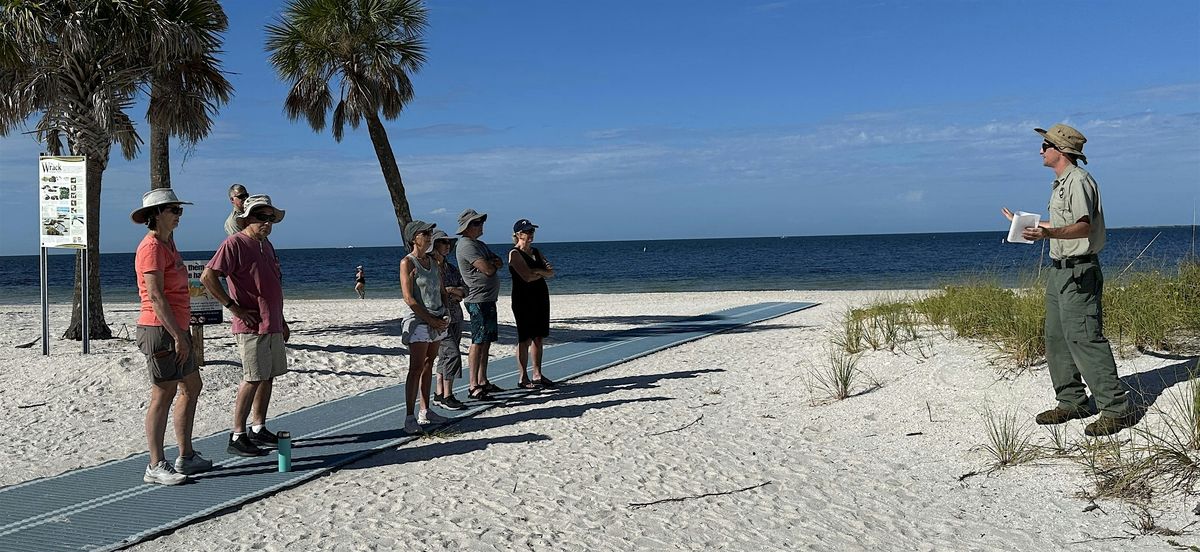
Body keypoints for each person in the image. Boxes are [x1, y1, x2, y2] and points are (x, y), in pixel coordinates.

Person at [1003, 123, 1135, 437]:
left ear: (1060, 150)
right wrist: (1027, 225)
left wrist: (1048, 233)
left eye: (1045, 145)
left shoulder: (1079, 181)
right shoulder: (1061, 183)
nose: (1040, 150)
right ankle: (1072, 401)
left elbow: (1083, 227)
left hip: (1079, 271)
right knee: (1057, 338)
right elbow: (1063, 223)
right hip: (1059, 270)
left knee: (1084, 337)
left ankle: (1117, 410)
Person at [131, 188, 211, 485]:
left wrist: (183, 331)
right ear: (156, 215)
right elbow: (155, 295)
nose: (179, 215)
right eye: (173, 210)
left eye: (180, 210)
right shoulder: (150, 247)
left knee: (192, 385)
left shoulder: (169, 245)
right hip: (159, 329)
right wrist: (178, 335)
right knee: (162, 393)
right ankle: (155, 464)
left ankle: (186, 455)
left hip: (177, 327)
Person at [201, 195, 291, 457]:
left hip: (271, 321)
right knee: (252, 377)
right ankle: (237, 434)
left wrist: (282, 320)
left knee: (268, 375)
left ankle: (258, 427)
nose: (267, 222)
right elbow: (208, 276)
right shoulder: (234, 243)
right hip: (250, 325)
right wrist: (233, 307)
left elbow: (272, 285)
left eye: (270, 218)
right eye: (261, 217)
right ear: (248, 219)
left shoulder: (267, 245)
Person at [399, 220, 451, 433]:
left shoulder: (434, 262)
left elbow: (441, 291)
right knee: (416, 367)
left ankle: (425, 410)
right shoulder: (407, 263)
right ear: (414, 238)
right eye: (425, 233)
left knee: (430, 364)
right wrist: (430, 319)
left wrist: (445, 312)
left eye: (430, 233)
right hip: (420, 320)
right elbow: (409, 298)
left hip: (438, 317)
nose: (430, 236)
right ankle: (409, 417)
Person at [455, 209, 505, 401]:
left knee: (486, 341)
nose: (481, 225)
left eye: (480, 222)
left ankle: (483, 380)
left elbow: (498, 262)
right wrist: (491, 264)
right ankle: (473, 384)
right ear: (467, 227)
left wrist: (492, 263)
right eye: (476, 223)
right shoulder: (466, 245)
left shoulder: (480, 245)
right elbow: (489, 269)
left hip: (488, 299)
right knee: (477, 341)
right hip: (477, 299)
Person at [508, 219, 557, 388]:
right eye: (527, 232)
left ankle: (537, 373)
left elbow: (550, 273)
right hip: (523, 299)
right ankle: (523, 377)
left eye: (532, 232)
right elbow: (526, 277)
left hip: (540, 296)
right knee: (525, 338)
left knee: (538, 337)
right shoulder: (514, 254)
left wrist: (538, 271)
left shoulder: (536, 251)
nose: (530, 235)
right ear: (518, 234)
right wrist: (540, 272)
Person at [430, 229, 468, 410]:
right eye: (443, 242)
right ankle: (448, 395)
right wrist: (452, 290)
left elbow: (465, 289)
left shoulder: (450, 268)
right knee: (452, 354)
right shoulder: (430, 268)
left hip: (456, 316)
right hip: (440, 318)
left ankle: (439, 393)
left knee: (445, 355)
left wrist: (453, 290)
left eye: (448, 243)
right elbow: (435, 291)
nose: (447, 246)